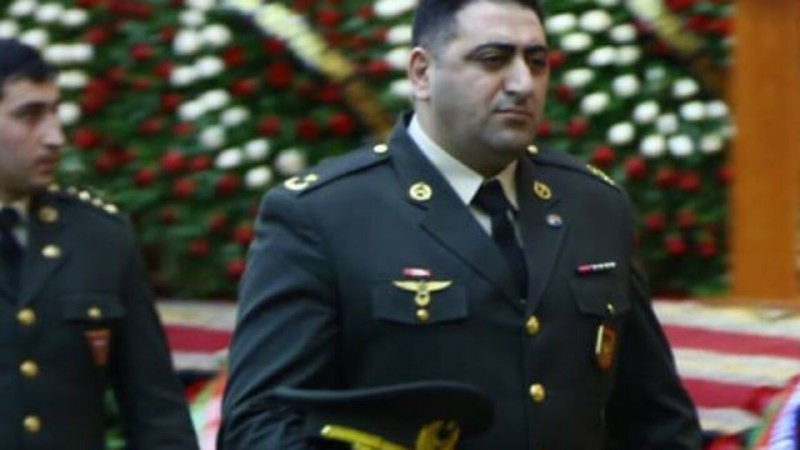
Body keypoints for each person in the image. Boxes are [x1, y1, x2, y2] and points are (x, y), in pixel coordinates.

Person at [220, 0, 703, 448]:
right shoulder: (325, 214)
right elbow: (259, 424)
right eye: (493, 59)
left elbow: (655, 418)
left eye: (537, 62)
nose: (522, 83)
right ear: (422, 73)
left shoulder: (592, 205)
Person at [0, 39, 198, 449]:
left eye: (55, 113)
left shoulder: (98, 237)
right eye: (30, 115)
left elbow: (157, 415)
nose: (54, 137)